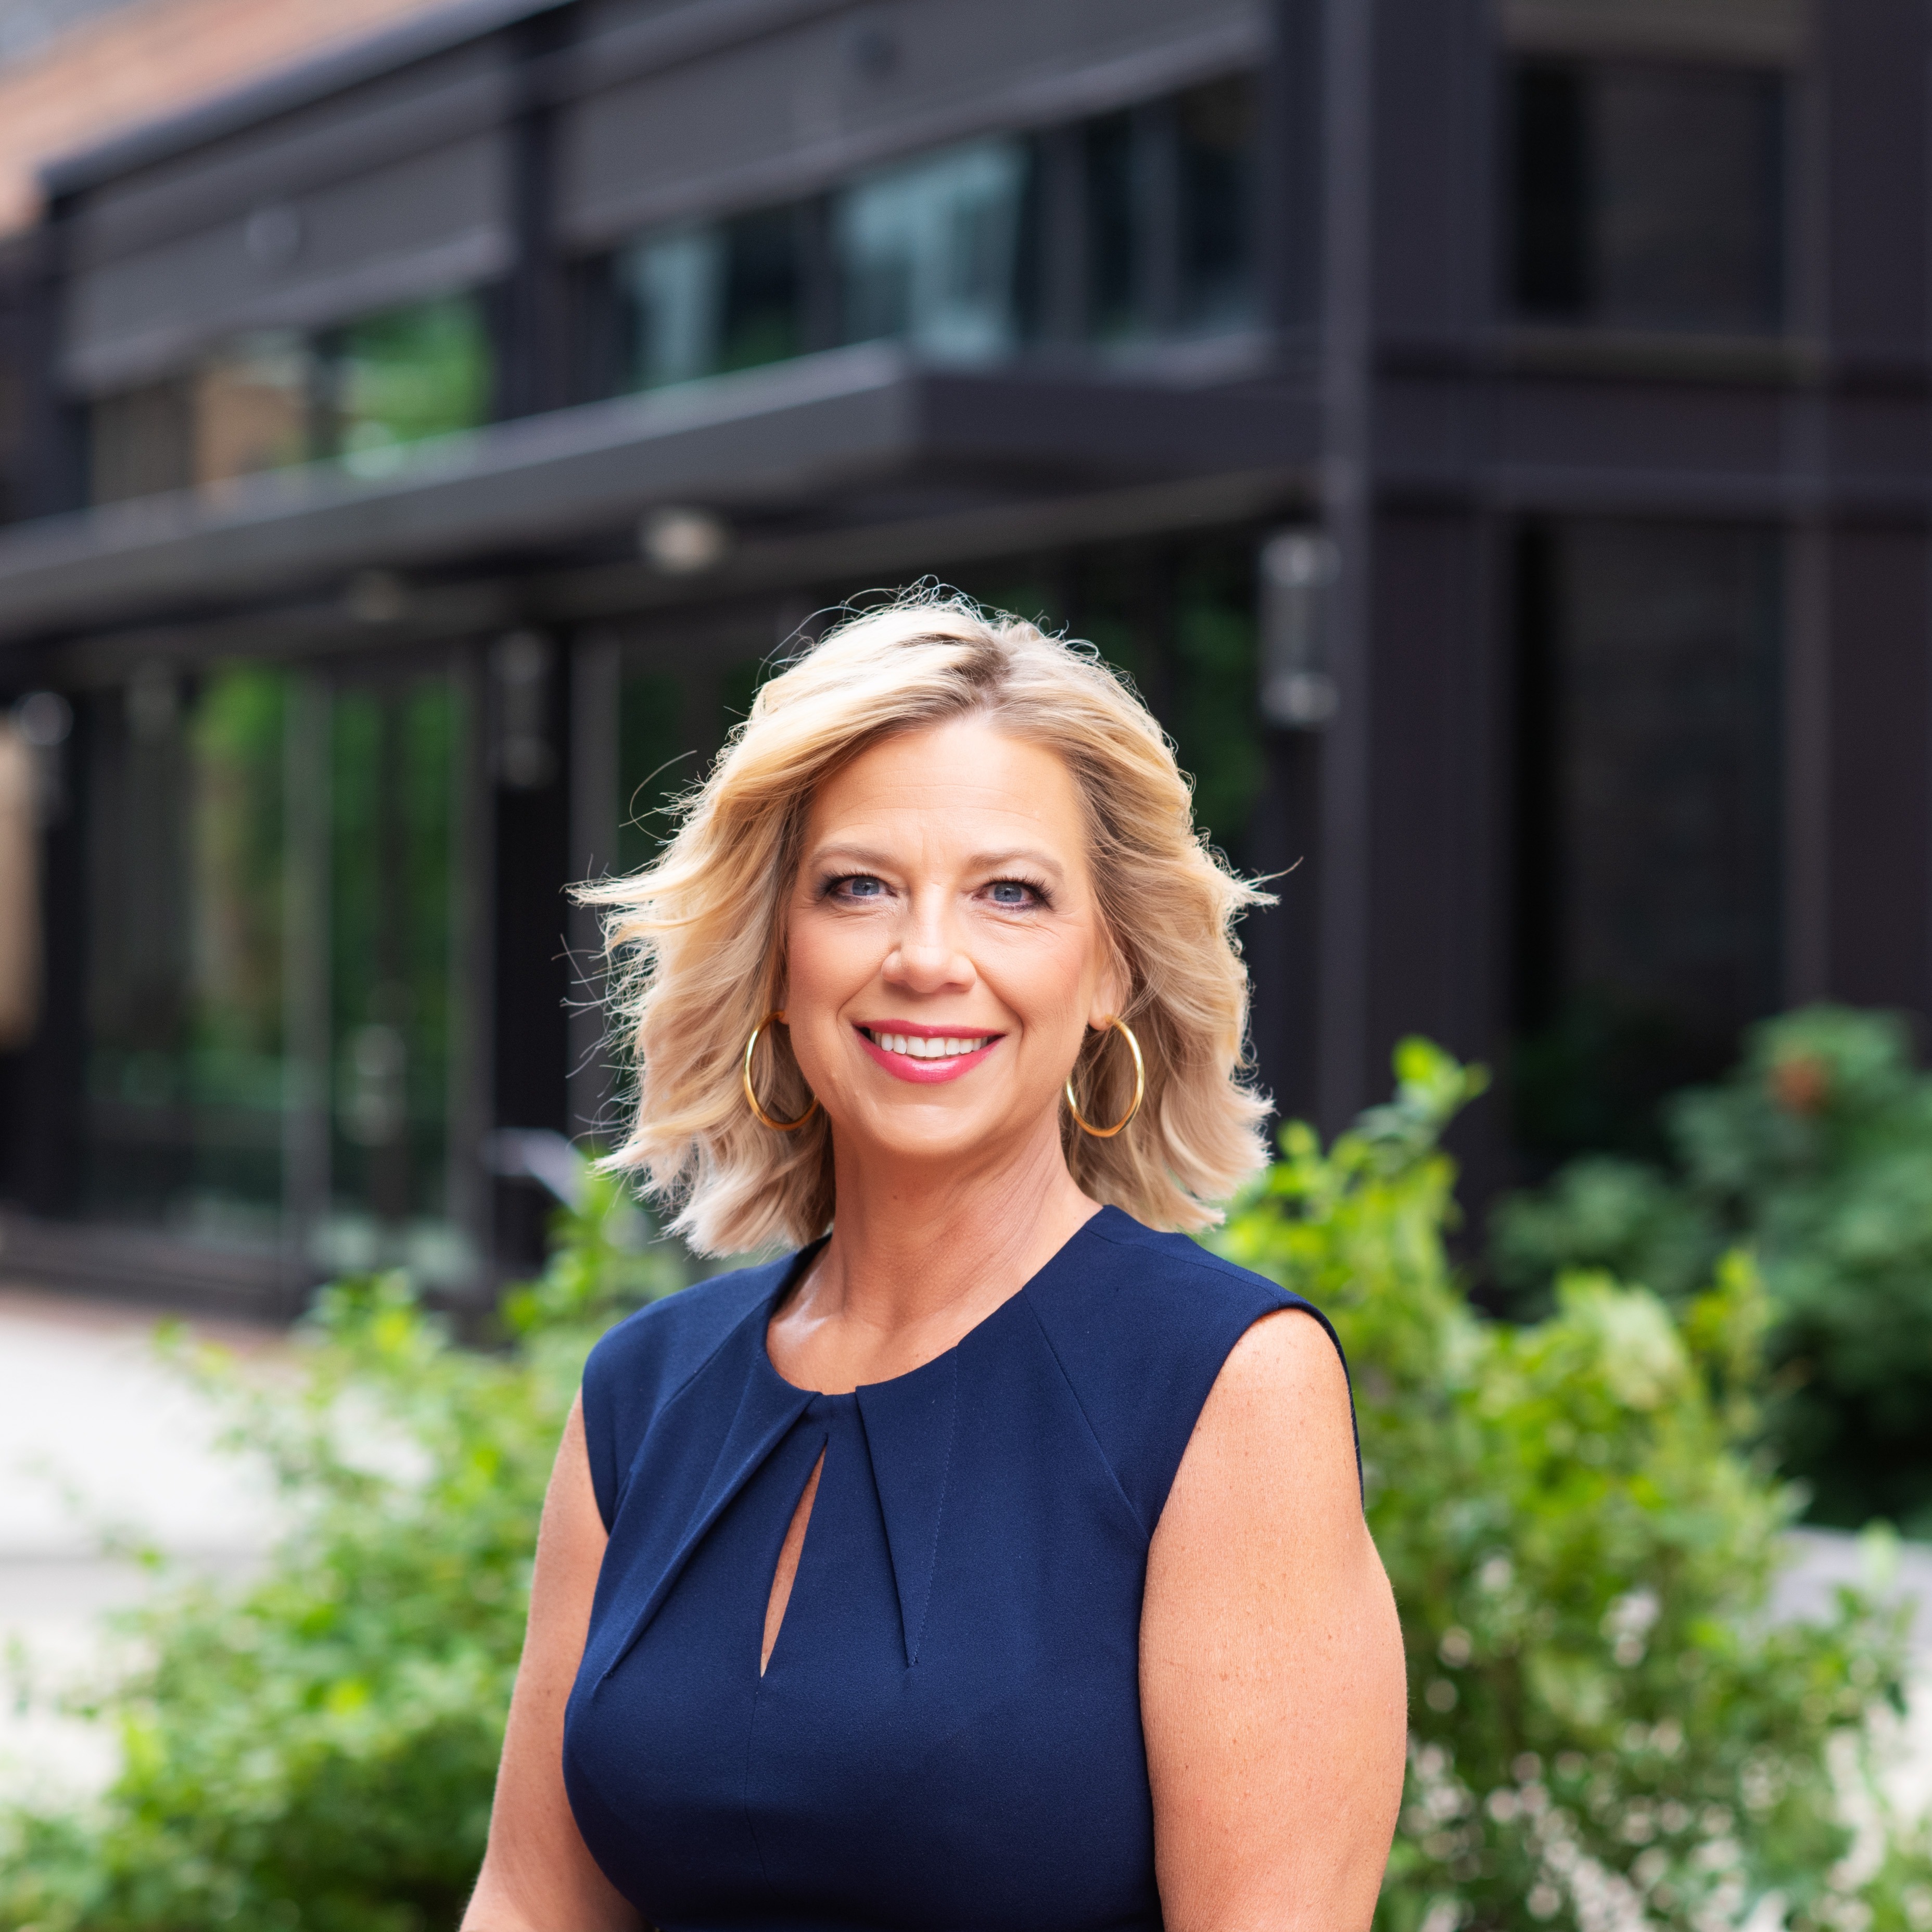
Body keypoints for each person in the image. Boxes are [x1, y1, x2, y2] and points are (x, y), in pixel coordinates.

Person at [462, 593, 1407, 1932]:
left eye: (1009, 894)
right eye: (857, 888)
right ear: (776, 957)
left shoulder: (1225, 1388)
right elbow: (528, 1901)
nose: (924, 957)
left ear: (1109, 972)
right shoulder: (643, 1390)